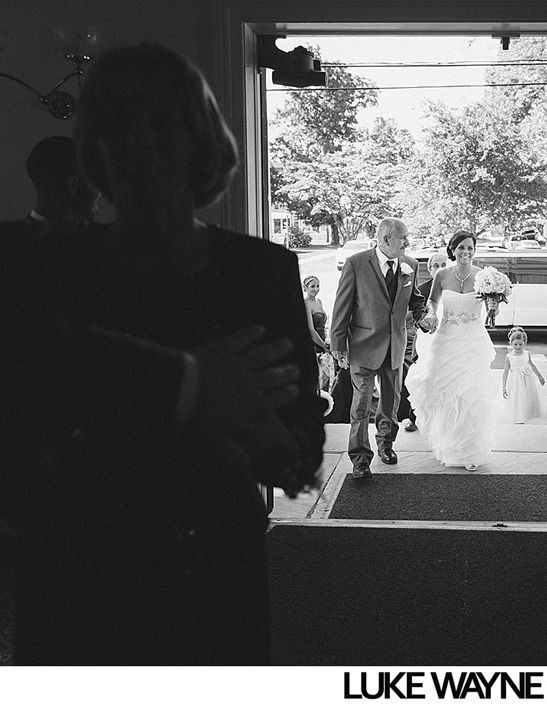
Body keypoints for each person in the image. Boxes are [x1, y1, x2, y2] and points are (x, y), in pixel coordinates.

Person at [6, 42, 326, 666]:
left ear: (202, 141)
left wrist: (107, 420)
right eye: (120, 126)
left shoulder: (258, 271)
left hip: (209, 569)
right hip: (77, 575)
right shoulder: (44, 272)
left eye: (165, 123)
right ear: (93, 149)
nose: (141, 144)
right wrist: (203, 403)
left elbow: (298, 455)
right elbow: (19, 444)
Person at [328, 217, 428, 480]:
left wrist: (422, 315)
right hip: (363, 345)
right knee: (360, 405)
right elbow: (342, 307)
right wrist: (338, 346)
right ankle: (360, 459)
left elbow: (414, 299)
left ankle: (386, 444)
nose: (408, 242)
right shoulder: (356, 263)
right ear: (386, 239)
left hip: (396, 344)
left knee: (390, 400)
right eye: (403, 237)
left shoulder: (410, 265)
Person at [406, 231, 498, 472]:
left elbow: (491, 302)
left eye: (470, 248)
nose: (466, 252)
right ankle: (449, 446)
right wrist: (431, 314)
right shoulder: (442, 274)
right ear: (453, 249)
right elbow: (433, 301)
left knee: (470, 395)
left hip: (472, 340)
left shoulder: (483, 276)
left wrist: (492, 308)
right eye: (461, 248)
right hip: (446, 338)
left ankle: (470, 450)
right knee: (444, 391)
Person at [9, 135, 101, 239]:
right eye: (94, 181)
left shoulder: (7, 240)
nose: (100, 193)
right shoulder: (105, 240)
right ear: (72, 185)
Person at [401, 251, 448, 432]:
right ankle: (415, 417)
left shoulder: (454, 287)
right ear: (429, 269)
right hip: (427, 342)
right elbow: (412, 315)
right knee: (422, 379)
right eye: (435, 265)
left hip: (450, 341)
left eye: (443, 265)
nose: (439, 269)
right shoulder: (421, 289)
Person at [501, 326, 545, 424]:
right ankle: (517, 417)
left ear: (524, 343)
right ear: (511, 343)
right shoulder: (509, 357)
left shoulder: (527, 354)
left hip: (526, 380)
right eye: (515, 344)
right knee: (517, 397)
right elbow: (505, 372)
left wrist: (540, 376)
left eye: (520, 344)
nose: (518, 347)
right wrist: (504, 387)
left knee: (527, 397)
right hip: (515, 382)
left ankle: (525, 415)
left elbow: (531, 365)